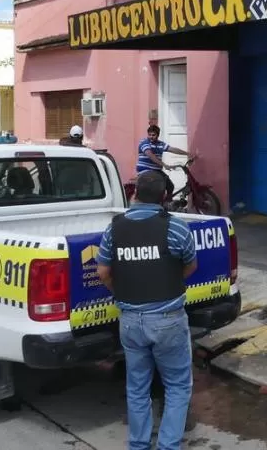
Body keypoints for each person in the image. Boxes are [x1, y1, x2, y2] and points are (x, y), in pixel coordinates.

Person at [97, 170, 197, 450]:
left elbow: (103, 270)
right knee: (177, 386)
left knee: (137, 387)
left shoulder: (114, 228)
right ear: (165, 197)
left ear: (134, 193)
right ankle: (168, 446)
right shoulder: (175, 227)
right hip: (168, 319)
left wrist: (121, 291)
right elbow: (190, 265)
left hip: (130, 320)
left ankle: (139, 445)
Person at [136, 124, 190, 200]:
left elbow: (172, 149)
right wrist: (164, 165)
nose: (151, 137)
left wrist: (187, 153)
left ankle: (167, 203)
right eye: (149, 135)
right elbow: (151, 155)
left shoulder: (161, 144)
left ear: (158, 135)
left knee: (170, 186)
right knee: (156, 187)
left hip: (157, 171)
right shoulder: (144, 142)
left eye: (153, 135)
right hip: (145, 170)